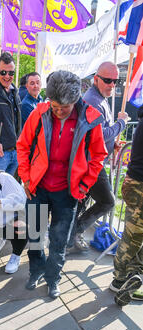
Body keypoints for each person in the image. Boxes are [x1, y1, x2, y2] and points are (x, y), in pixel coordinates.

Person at [17, 70, 107, 299]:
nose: (57, 111)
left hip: (68, 191)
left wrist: (85, 185)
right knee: (35, 235)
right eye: (54, 106)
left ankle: (53, 277)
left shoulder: (89, 118)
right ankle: (36, 270)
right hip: (37, 187)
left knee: (59, 239)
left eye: (63, 108)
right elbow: (23, 145)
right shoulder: (40, 113)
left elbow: (98, 155)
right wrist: (26, 178)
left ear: (75, 101)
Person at [68, 61, 129, 252]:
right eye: (108, 80)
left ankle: (69, 237)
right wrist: (121, 123)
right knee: (108, 201)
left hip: (92, 160)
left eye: (115, 81)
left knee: (82, 199)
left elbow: (101, 136)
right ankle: (73, 233)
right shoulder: (93, 100)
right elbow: (100, 134)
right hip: (90, 162)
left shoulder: (100, 97)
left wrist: (113, 144)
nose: (112, 85)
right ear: (96, 79)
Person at [109, 111, 143, 306]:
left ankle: (128, 275)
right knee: (133, 237)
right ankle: (124, 278)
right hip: (140, 185)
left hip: (133, 181)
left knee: (133, 235)